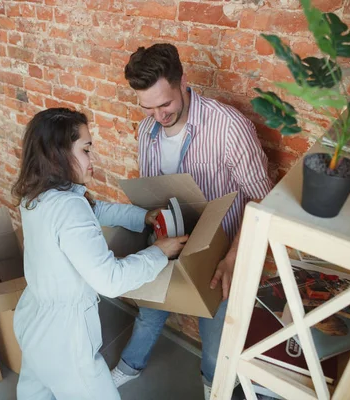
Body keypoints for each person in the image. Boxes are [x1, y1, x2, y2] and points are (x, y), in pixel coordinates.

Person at [110, 44, 273, 400]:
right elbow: (153, 191)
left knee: (214, 336)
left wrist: (233, 256)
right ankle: (128, 366)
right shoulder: (146, 131)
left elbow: (263, 199)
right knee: (150, 312)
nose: (158, 116)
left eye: (164, 104)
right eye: (147, 107)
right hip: (165, 244)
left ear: (183, 82)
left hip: (219, 253)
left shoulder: (229, 127)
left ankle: (214, 387)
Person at [11, 108, 189, 400]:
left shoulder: (38, 193)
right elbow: (110, 280)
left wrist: (144, 216)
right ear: (58, 153)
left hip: (33, 317)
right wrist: (158, 252)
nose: (92, 160)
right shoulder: (69, 208)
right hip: (65, 339)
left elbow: (96, 210)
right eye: (86, 150)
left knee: (35, 391)